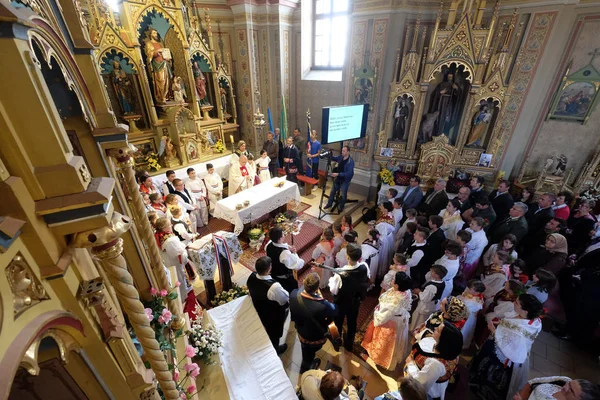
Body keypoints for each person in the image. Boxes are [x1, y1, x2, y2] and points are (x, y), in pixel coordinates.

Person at [469, 294, 544, 400]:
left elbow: (507, 346)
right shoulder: (534, 320)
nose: (513, 303)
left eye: (517, 303)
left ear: (525, 311)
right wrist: (501, 322)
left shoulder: (520, 332)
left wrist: (493, 330)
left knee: (488, 373)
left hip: (503, 356)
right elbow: (510, 323)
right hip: (502, 343)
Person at [361, 272, 413, 370]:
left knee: (385, 342)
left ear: (397, 285)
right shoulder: (406, 291)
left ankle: (380, 358)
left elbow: (381, 319)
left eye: (393, 279)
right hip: (398, 318)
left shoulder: (394, 302)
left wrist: (377, 312)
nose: (392, 280)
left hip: (390, 322)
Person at [289, 273, 338, 372]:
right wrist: (324, 300)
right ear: (317, 288)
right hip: (314, 336)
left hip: (301, 330)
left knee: (305, 349)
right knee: (310, 353)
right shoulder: (323, 305)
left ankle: (306, 361)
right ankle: (306, 367)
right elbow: (335, 310)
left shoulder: (294, 294)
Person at [405, 321, 463, 400]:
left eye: (438, 330)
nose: (435, 328)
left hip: (430, 392)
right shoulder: (453, 353)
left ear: (444, 341)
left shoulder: (435, 364)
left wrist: (410, 364)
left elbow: (419, 383)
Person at [329, 243, 370, 351]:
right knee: (352, 322)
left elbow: (333, 290)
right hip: (355, 301)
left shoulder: (340, 273)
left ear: (347, 257)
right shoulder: (364, 267)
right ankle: (349, 344)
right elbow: (366, 279)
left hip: (341, 303)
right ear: (360, 257)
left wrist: (330, 282)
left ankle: (337, 342)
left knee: (338, 322)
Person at [247, 256, 289, 354]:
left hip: (258, 309)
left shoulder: (252, 276)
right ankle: (275, 349)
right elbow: (284, 300)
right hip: (272, 316)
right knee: (274, 334)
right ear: (269, 268)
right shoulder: (274, 287)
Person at [265, 226, 305, 293]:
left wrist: (287, 247)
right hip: (284, 278)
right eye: (283, 234)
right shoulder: (284, 253)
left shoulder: (268, 244)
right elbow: (298, 265)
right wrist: (294, 253)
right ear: (279, 239)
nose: (284, 235)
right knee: (292, 291)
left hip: (274, 273)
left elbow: (278, 247)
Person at [409, 265, 447, 331]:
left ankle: (414, 332)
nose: (431, 273)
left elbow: (424, 298)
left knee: (418, 320)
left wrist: (418, 292)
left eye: (432, 272)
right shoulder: (442, 282)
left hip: (425, 306)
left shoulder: (432, 287)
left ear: (437, 275)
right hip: (431, 304)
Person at [323, 146, 355, 213]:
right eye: (342, 150)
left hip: (345, 180)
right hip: (338, 178)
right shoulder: (341, 157)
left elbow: (349, 173)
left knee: (343, 194)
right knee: (332, 191)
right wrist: (329, 155)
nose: (342, 152)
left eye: (344, 151)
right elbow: (334, 158)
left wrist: (338, 174)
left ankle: (341, 207)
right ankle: (329, 204)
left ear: (348, 152)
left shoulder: (350, 162)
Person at [514, 377, 600, 400]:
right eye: (570, 384)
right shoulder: (564, 380)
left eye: (571, 390)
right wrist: (522, 396)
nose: (566, 387)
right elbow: (532, 382)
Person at [458, 279, 486, 349]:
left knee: (464, 330)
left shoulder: (474, 301)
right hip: (465, 315)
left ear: (477, 292)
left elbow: (464, 308)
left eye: (470, 289)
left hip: (467, 318)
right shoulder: (471, 295)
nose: (467, 289)